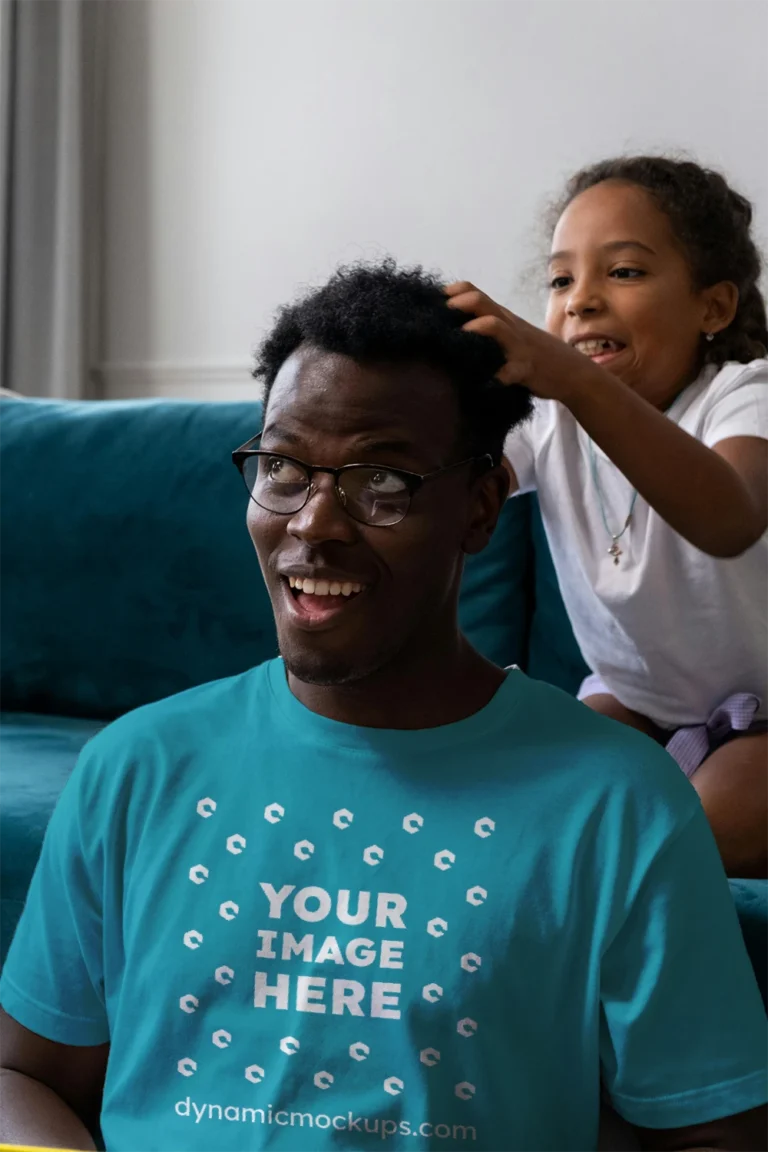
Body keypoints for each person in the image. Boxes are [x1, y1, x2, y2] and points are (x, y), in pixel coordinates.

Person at [1, 261, 768, 1151]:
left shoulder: (618, 803)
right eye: (284, 467)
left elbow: (716, 1134)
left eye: (382, 483)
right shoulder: (133, 771)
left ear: (481, 508)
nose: (315, 522)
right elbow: (24, 1074)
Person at [447, 156, 768, 879]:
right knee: (529, 805)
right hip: (638, 703)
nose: (580, 300)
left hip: (765, 720)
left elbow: (731, 518)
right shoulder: (548, 416)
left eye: (622, 272)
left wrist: (573, 380)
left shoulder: (745, 395)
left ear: (712, 308)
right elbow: (463, 485)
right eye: (561, 280)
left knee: (701, 834)